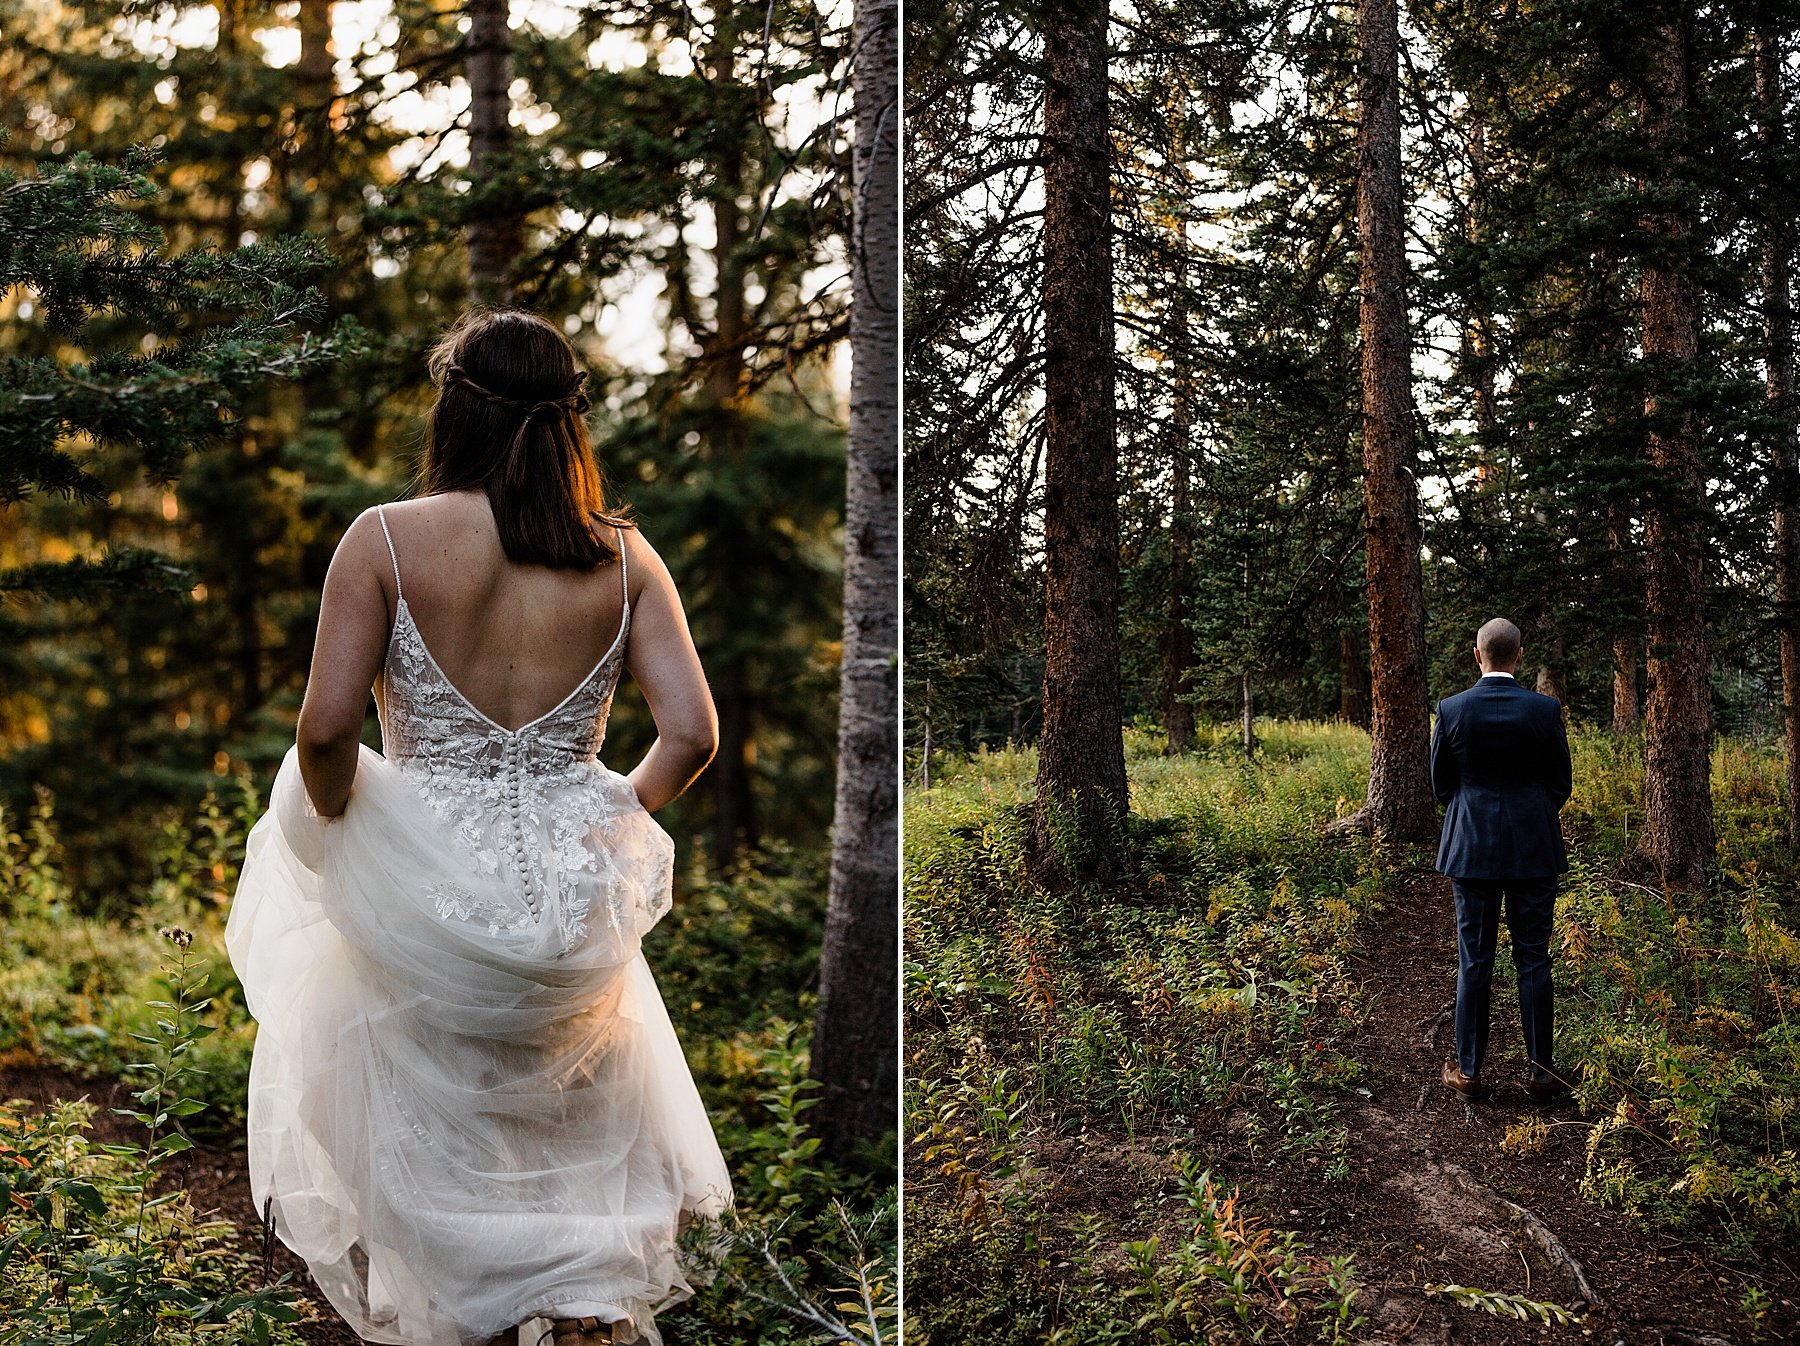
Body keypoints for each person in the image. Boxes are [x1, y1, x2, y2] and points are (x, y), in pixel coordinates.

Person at [225, 308, 732, 1346]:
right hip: (568, 890)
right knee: (571, 1118)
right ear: (567, 422)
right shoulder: (625, 561)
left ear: (458, 407)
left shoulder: (385, 539)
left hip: (425, 886)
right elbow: (691, 734)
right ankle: (577, 1308)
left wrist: (348, 834)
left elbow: (324, 729)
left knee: (428, 1111)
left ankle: (466, 1311)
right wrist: (609, 813)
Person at [1429, 617, 1575, 1105]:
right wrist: (1531, 813)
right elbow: (1560, 783)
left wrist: (1472, 812)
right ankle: (1540, 1073)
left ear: (1478, 655)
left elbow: (1441, 784)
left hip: (1471, 849)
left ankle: (1469, 1070)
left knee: (1475, 957)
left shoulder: (1452, 710)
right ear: (1519, 655)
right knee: (1533, 955)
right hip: (1534, 848)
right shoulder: (1545, 710)